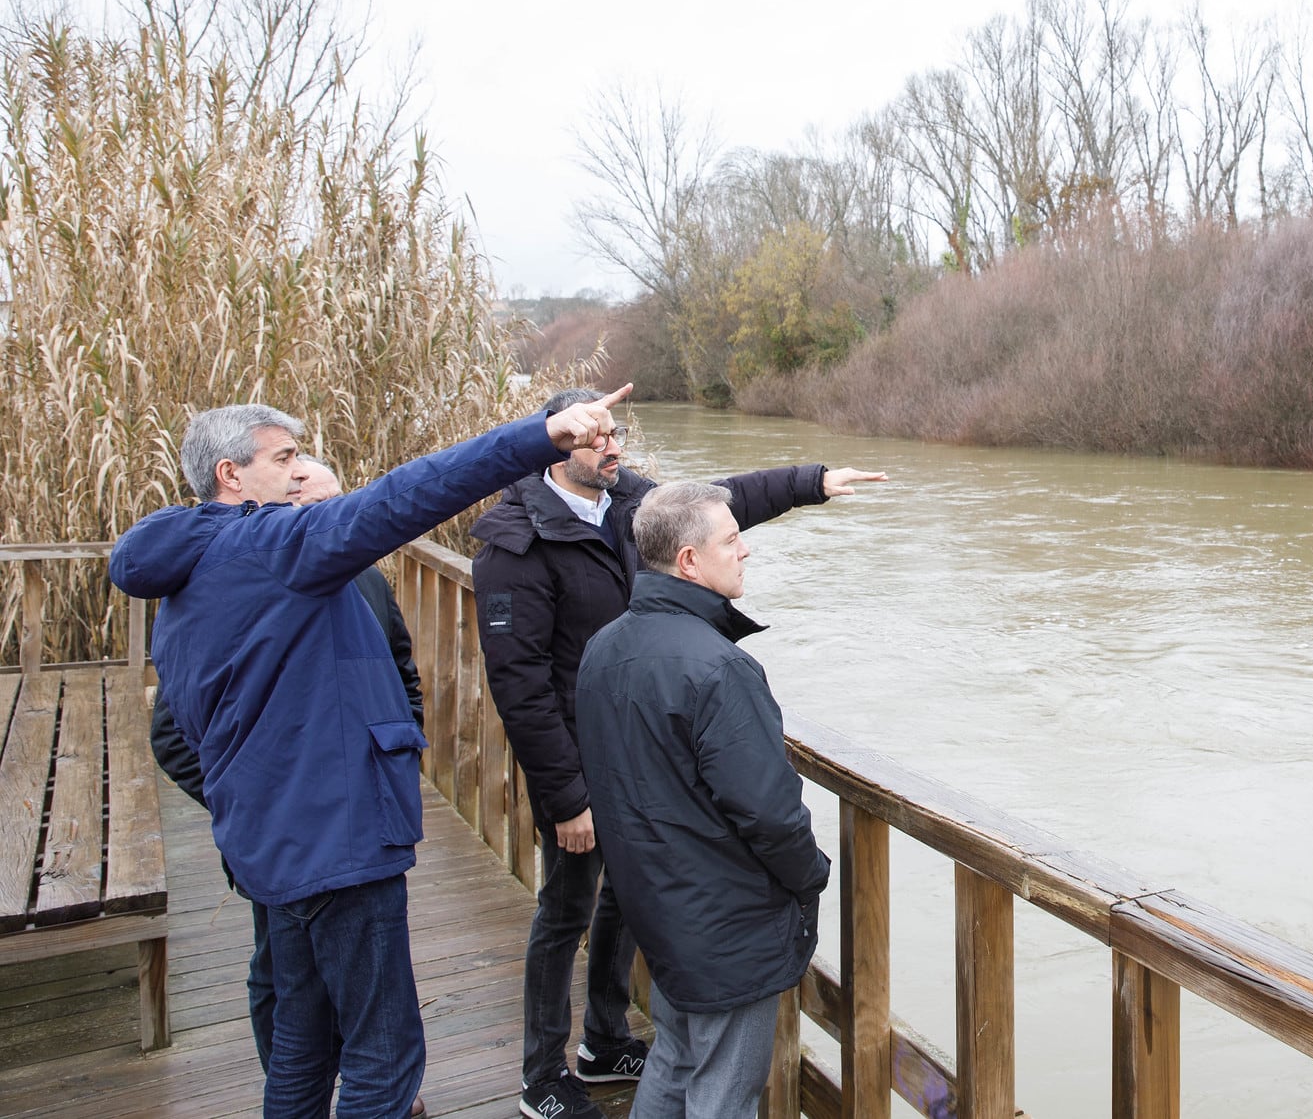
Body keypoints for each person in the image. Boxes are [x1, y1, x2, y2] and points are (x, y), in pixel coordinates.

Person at [111, 388, 632, 1119]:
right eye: (285, 458)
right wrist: (542, 435)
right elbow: (410, 492)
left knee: (300, 1045)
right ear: (232, 476)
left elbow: (191, 725)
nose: (298, 475)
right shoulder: (275, 547)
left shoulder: (183, 571)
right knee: (384, 1060)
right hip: (337, 844)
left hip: (269, 845)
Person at [469, 387, 883, 1119]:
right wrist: (567, 794)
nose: (614, 447)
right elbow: (521, 684)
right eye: (598, 437)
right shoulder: (516, 540)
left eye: (615, 433)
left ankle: (602, 1037)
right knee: (566, 912)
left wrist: (812, 482)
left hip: (643, 762)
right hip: (590, 765)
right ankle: (542, 1070)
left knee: (642, 930)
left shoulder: (632, 507)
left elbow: (720, 502)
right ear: (556, 444)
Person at [147, 458, 423, 1117]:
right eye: (313, 505)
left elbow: (402, 675)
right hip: (284, 838)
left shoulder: (365, 578)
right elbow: (173, 732)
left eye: (339, 505)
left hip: (361, 822)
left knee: (339, 1025)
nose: (332, 520)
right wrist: (252, 799)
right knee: (304, 1007)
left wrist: (392, 767)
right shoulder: (248, 583)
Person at [575, 481, 830, 1119]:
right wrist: (811, 878)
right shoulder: (718, 668)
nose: (744, 552)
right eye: (731, 540)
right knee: (724, 1093)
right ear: (689, 561)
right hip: (725, 921)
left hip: (657, 903)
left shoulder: (604, 647)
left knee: (676, 1057)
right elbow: (770, 811)